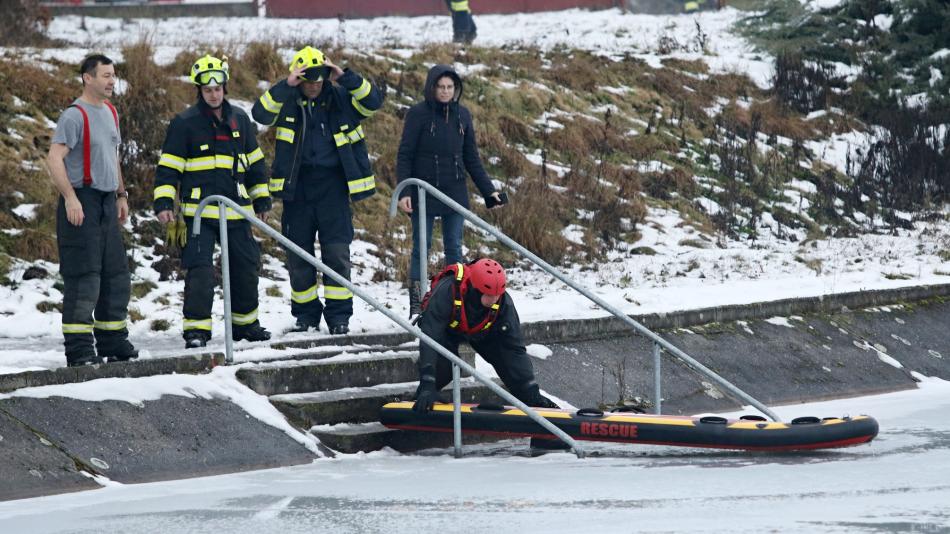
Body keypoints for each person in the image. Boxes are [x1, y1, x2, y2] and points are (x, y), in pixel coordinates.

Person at [252, 46, 382, 335]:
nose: (313, 85)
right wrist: (286, 85)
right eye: (308, 80)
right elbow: (260, 113)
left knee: (336, 254)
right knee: (298, 257)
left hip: (333, 187)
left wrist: (343, 76)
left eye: (319, 79)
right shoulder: (288, 100)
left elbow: (372, 103)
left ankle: (339, 318)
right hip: (297, 189)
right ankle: (306, 316)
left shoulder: (340, 99)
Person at [154, 54, 272, 348]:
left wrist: (262, 200)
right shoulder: (185, 123)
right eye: (207, 90)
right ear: (199, 90)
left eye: (218, 88)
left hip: (236, 211)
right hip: (199, 215)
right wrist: (164, 203)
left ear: (225, 87)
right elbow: (169, 167)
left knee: (245, 267)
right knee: (201, 272)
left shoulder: (240, 120)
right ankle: (197, 330)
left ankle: (245, 325)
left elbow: (255, 164)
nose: (214, 93)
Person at [47, 54, 138, 367]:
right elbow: (54, 158)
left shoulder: (110, 112)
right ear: (88, 78)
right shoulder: (74, 116)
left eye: (114, 75)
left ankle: (113, 341)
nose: (112, 81)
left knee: (116, 276)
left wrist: (121, 194)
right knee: (84, 278)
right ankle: (80, 350)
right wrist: (70, 198)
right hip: (81, 202)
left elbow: (112, 157)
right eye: (106, 75)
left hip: (106, 203)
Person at [396, 65, 503, 317]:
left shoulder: (462, 115)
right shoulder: (418, 114)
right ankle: (417, 301)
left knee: (454, 248)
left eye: (449, 87)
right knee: (421, 247)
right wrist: (405, 191)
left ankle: (453, 300)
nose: (445, 92)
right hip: (424, 190)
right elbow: (405, 155)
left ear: (456, 90)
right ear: (432, 87)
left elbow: (471, 158)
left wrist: (489, 192)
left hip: (454, 191)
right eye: (441, 87)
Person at [412, 258, 558, 412]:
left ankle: (537, 417)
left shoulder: (503, 302)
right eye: (489, 295)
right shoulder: (448, 290)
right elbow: (430, 337)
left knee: (516, 374)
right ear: (476, 288)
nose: (494, 299)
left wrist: (530, 387)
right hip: (446, 332)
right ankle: (421, 400)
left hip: (482, 332)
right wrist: (428, 382)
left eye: (497, 294)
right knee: (445, 369)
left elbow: (514, 347)